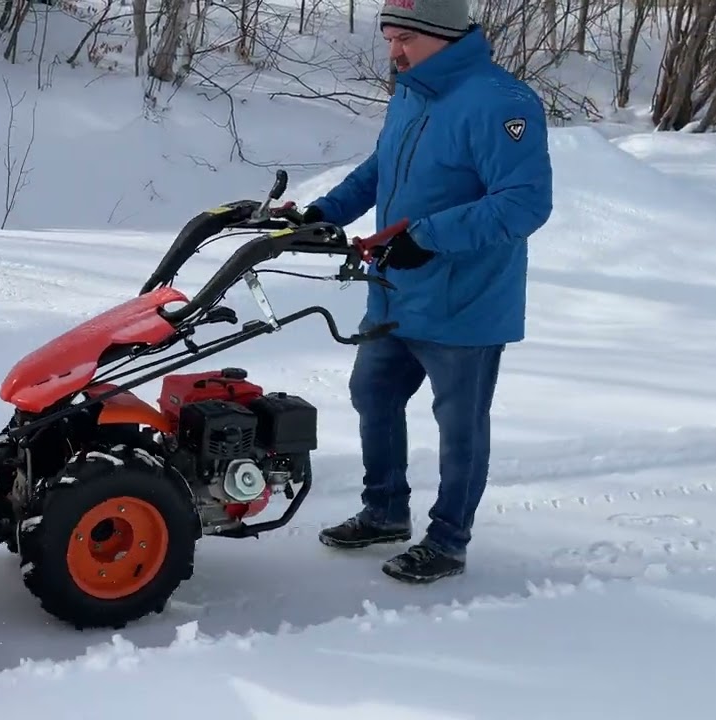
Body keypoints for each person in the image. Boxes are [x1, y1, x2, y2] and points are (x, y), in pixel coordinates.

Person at [300, 0, 554, 583]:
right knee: (373, 394)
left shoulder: (501, 102)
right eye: (389, 38)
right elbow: (381, 168)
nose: (394, 52)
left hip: (465, 301)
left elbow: (524, 202)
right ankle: (385, 511)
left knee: (459, 425)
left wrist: (427, 236)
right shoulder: (412, 91)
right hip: (396, 290)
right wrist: (324, 212)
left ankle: (448, 540)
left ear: (444, 35)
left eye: (406, 39)